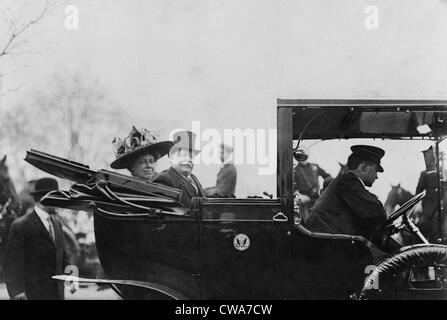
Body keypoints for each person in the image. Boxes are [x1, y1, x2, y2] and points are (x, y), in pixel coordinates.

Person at [4, 177, 70, 300]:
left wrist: (72, 275)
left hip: (57, 294)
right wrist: (17, 292)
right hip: (33, 294)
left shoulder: (56, 222)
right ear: (43, 199)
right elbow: (12, 264)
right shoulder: (21, 225)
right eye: (56, 198)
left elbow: (64, 255)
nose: (59, 202)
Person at [305, 145, 387, 242]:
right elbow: (377, 213)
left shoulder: (344, 182)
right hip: (328, 247)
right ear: (364, 167)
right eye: (376, 170)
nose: (377, 176)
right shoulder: (348, 183)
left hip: (325, 243)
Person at [154, 131, 205, 208]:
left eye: (191, 156)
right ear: (172, 158)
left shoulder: (194, 179)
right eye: (183, 155)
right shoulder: (164, 180)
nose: (188, 159)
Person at [293, 147, 331, 222]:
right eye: (299, 157)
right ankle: (305, 222)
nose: (301, 158)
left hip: (317, 195)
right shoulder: (295, 171)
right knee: (300, 203)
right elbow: (294, 186)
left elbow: (327, 176)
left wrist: (325, 189)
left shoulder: (315, 166)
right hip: (305, 196)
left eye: (303, 156)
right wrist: (297, 193)